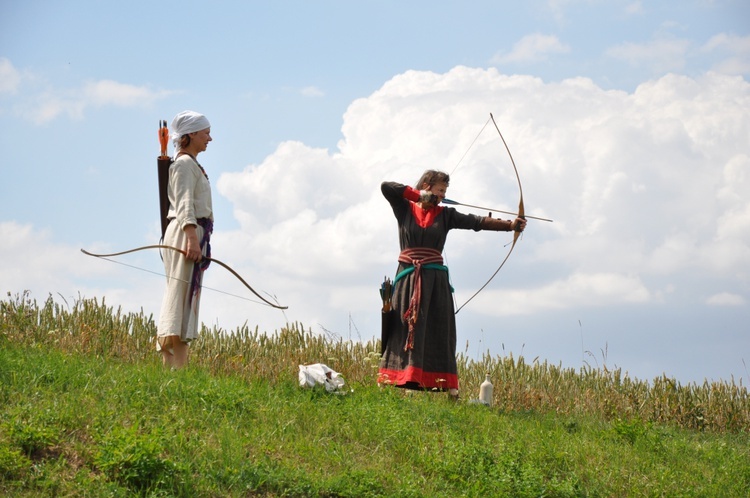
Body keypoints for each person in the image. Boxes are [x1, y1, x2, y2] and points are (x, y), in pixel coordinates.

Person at [378, 170, 526, 399]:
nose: (442, 195)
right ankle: (395, 378)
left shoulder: (445, 215)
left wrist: (510, 226)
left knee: (439, 329)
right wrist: (417, 196)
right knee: (402, 327)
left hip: (435, 282)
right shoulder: (405, 208)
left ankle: (448, 388)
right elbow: (387, 186)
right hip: (408, 277)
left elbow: (476, 222)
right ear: (427, 186)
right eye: (439, 190)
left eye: (444, 192)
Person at [157, 110, 214, 369]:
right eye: (205, 133)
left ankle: (175, 366)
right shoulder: (183, 165)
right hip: (184, 234)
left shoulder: (189, 164)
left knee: (183, 297)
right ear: (191, 135)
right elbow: (184, 204)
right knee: (180, 298)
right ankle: (174, 367)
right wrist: (191, 237)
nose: (210, 138)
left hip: (189, 234)